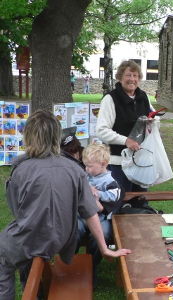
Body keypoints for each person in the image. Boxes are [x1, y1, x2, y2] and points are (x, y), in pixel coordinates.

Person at [0, 109, 131, 300]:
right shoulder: (75, 169)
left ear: (28, 136)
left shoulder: (20, 169)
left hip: (33, 237)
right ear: (56, 137)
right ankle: (35, 292)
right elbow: (90, 211)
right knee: (24, 253)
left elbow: (16, 209)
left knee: (5, 255)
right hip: (61, 239)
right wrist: (103, 247)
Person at [96, 59, 157, 192]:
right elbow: (101, 130)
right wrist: (126, 141)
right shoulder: (111, 99)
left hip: (141, 160)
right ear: (120, 78)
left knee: (140, 204)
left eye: (135, 76)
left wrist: (153, 122)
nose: (132, 79)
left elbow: (153, 116)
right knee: (119, 204)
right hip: (118, 163)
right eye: (128, 75)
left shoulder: (143, 97)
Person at [78, 142, 123, 288]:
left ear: (103, 164)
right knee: (72, 230)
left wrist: (98, 194)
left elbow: (114, 196)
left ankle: (92, 264)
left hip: (100, 217)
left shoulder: (110, 181)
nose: (86, 169)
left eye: (90, 166)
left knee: (104, 233)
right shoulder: (85, 175)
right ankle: (72, 263)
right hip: (81, 216)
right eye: (85, 165)